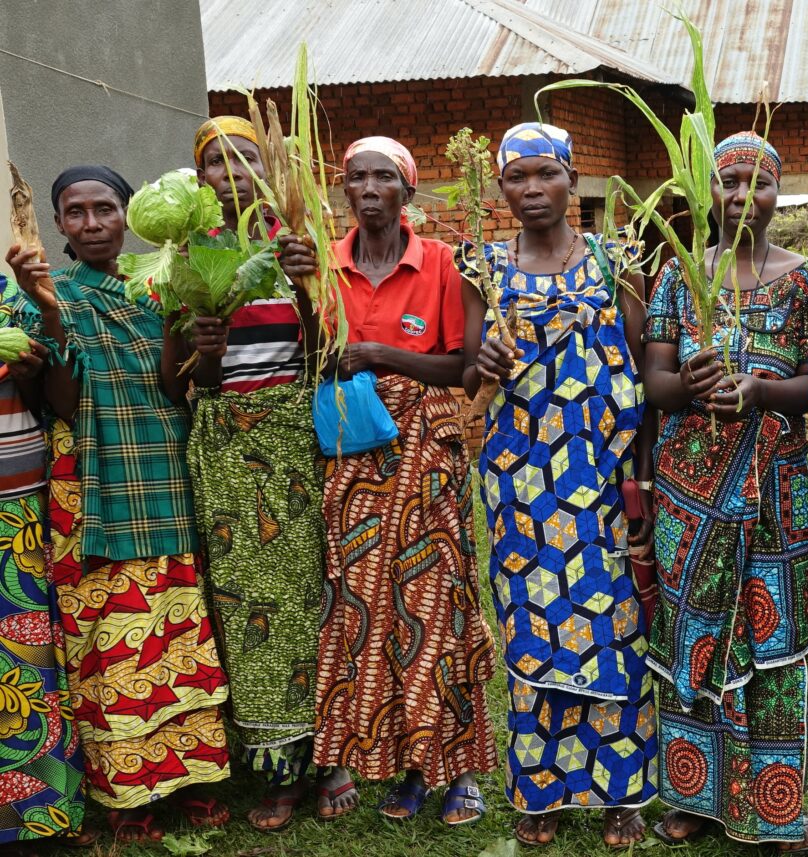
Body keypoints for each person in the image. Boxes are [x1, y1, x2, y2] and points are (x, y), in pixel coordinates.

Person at [5, 166, 231, 842]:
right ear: (59, 223)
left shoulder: (152, 283)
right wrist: (46, 309)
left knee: (180, 632)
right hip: (93, 487)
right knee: (111, 643)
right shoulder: (46, 295)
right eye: (76, 212)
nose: (93, 222)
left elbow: (173, 388)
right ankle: (128, 792)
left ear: (128, 215)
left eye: (106, 208)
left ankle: (194, 779)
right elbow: (63, 404)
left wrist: (173, 318)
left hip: (160, 469)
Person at [279, 136, 498, 826]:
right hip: (350, 454)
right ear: (345, 191)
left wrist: (377, 353)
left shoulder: (439, 263)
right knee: (365, 613)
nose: (368, 187)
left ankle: (458, 767)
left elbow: (466, 369)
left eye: (383, 176)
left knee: (438, 606)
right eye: (356, 177)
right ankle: (405, 766)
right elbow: (312, 360)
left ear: (407, 191)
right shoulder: (325, 265)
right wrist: (297, 286)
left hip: (425, 451)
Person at [462, 122, 658, 849]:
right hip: (522, 487)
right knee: (532, 622)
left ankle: (621, 792)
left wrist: (640, 480)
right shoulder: (482, 267)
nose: (533, 189)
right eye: (518, 177)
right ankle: (540, 788)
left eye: (547, 173)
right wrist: (483, 359)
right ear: (502, 188)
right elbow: (466, 376)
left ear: (573, 179)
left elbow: (639, 369)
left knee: (616, 629)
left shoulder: (616, 262)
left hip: (602, 482)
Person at [644, 132, 808, 852]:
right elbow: (652, 381)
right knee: (691, 637)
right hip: (690, 496)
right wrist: (686, 385)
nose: (743, 197)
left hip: (777, 497)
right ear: (708, 193)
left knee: (775, 642)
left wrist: (762, 390)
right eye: (729, 182)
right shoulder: (679, 276)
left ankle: (778, 809)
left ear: (778, 192)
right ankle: (696, 795)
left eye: (760, 182)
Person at [164, 117, 326, 831]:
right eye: (215, 164)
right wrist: (205, 348)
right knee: (245, 604)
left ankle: (332, 750)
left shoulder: (294, 243)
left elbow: (326, 353)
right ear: (198, 180)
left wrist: (308, 285)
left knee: (310, 594)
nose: (231, 174)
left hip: (296, 439)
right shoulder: (185, 259)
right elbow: (176, 382)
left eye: (246, 160)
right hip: (227, 444)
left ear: (270, 170)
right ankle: (274, 768)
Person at [0, 278, 88, 854]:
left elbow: (54, 398)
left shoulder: (12, 302)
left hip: (19, 505)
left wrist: (30, 366)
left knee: (29, 666)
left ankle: (38, 811)